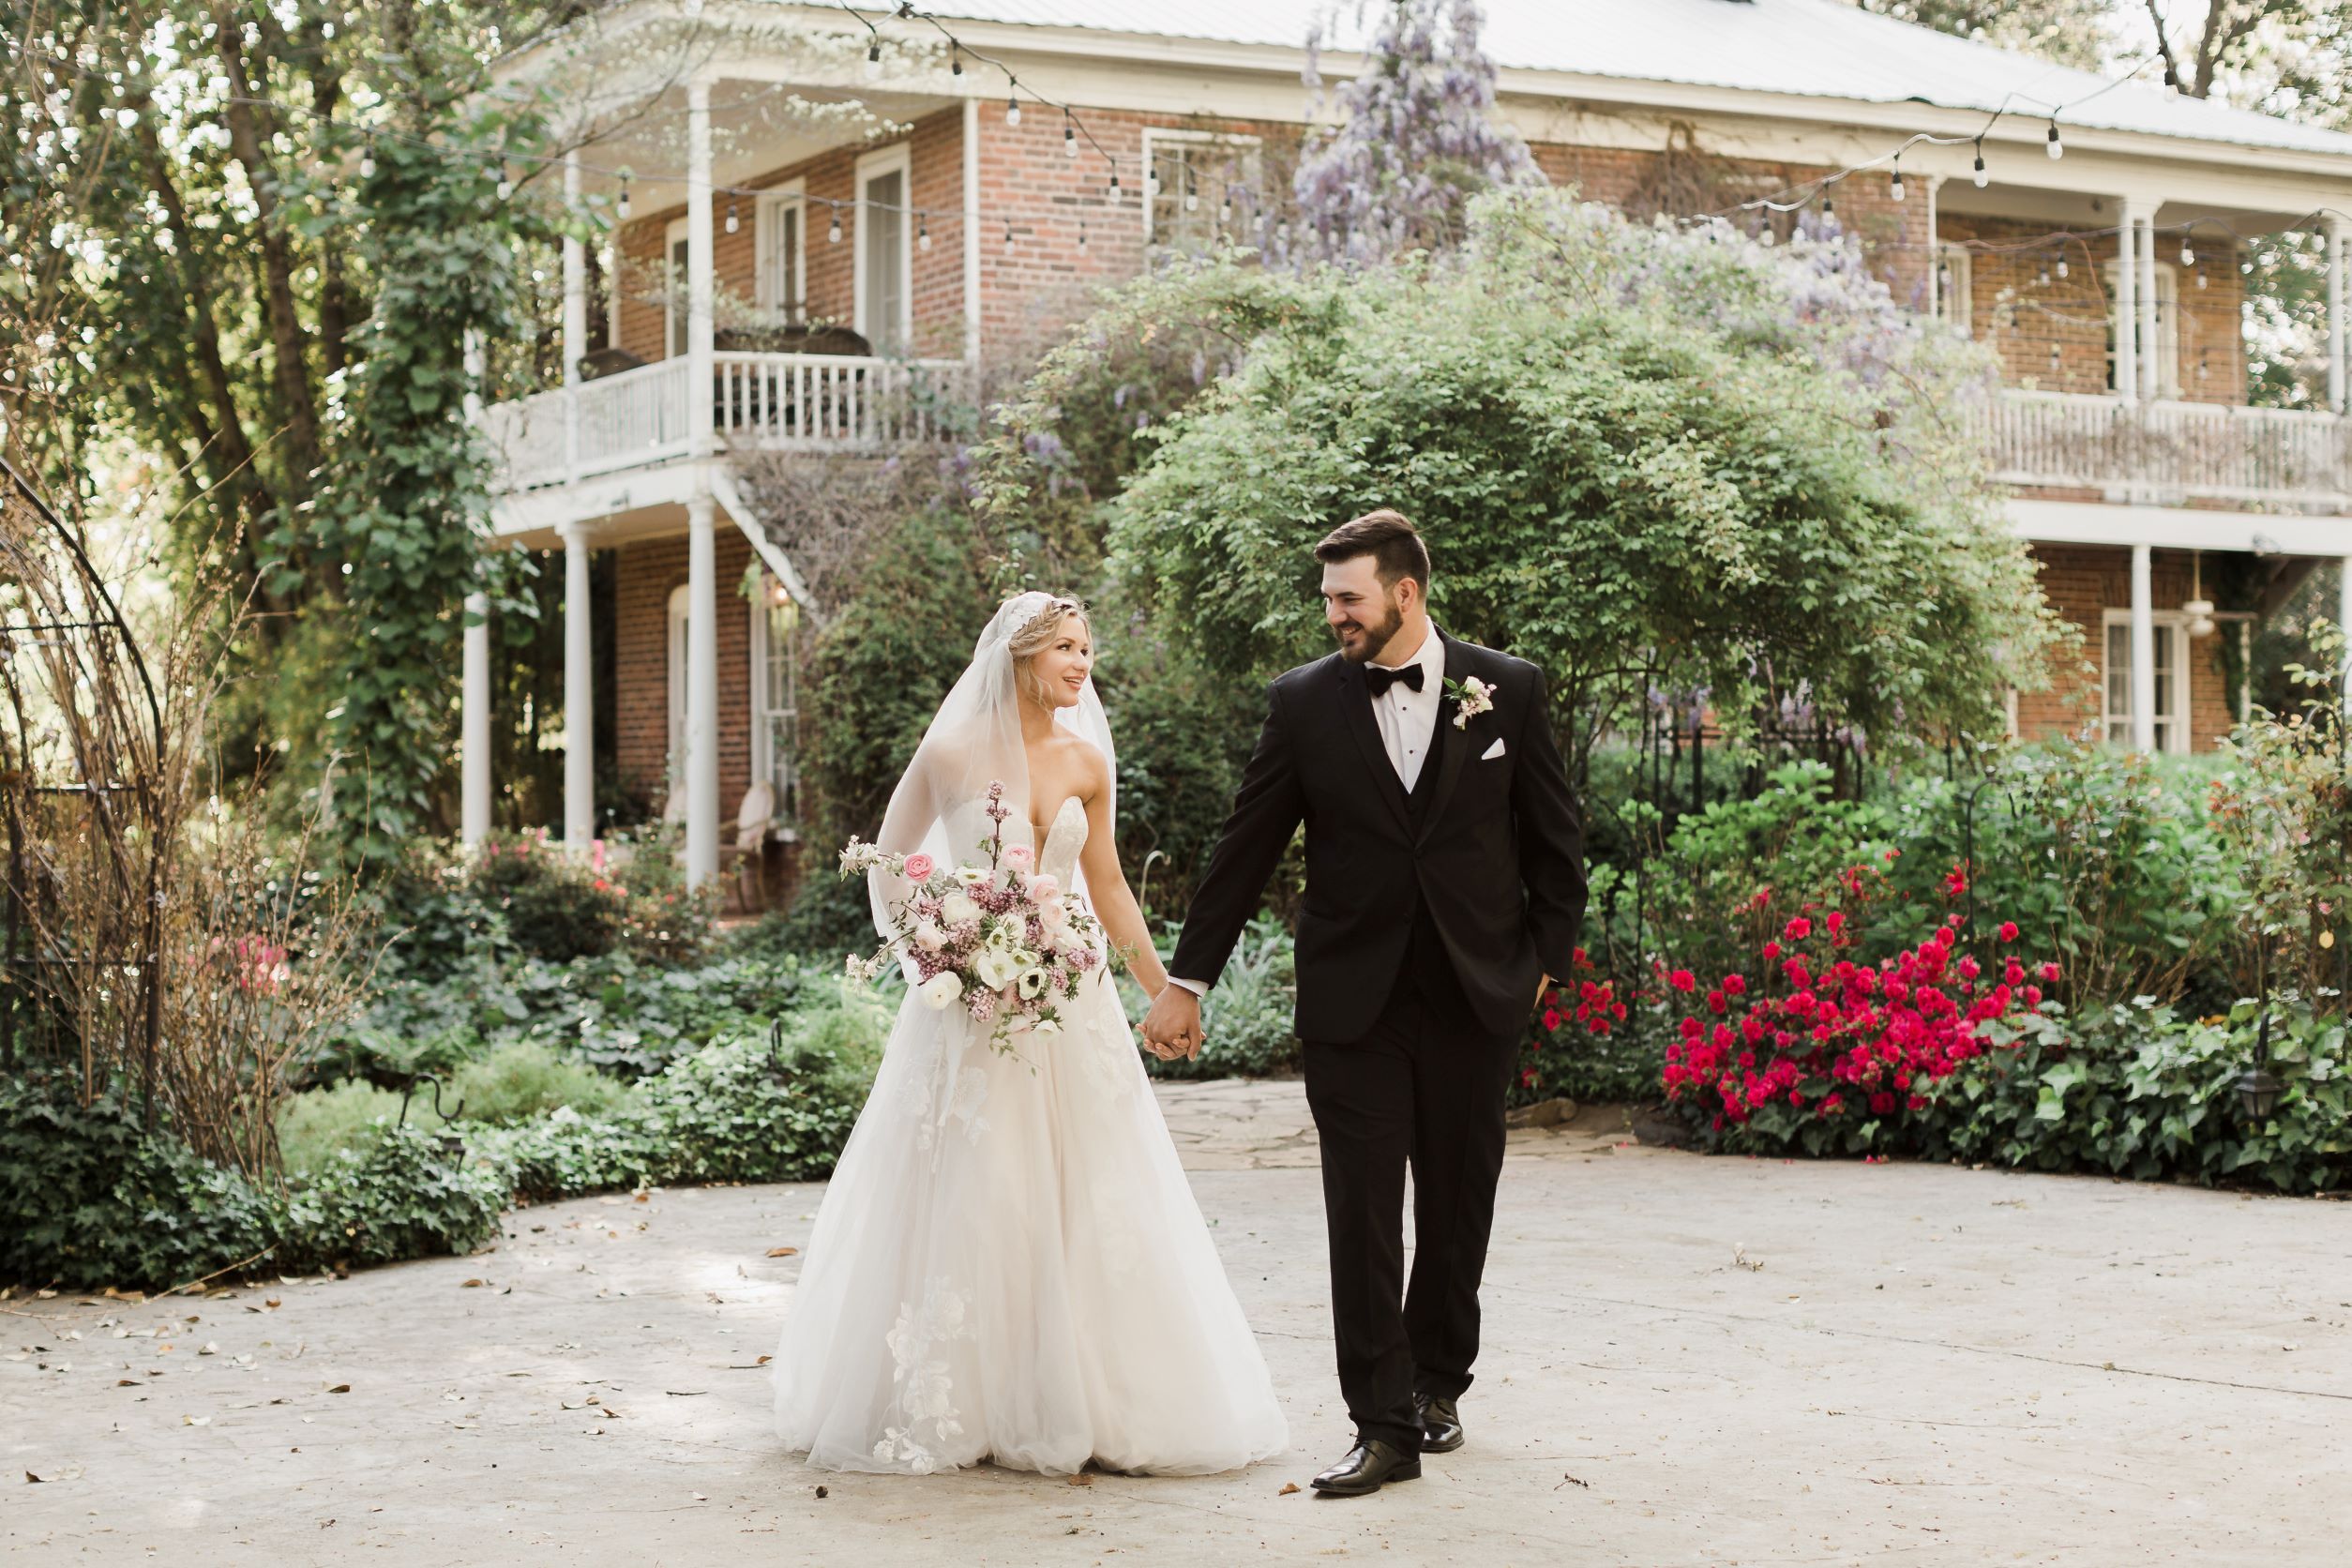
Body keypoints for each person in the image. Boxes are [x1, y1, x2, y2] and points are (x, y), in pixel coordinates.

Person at [772, 591, 1288, 1477]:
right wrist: (937, 956)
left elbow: (1111, 885)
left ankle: (1091, 1391)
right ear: (1018, 656)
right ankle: (963, 1394)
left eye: (1086, 649)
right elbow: (891, 868)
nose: (1082, 664)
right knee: (979, 1184)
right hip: (970, 1009)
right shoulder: (949, 754)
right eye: (1064, 648)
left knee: (1086, 1181)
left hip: (1071, 1000)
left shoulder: (1087, 759)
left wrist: (1166, 990)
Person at [1143, 509, 1587, 1497]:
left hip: (1478, 994)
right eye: (1329, 598)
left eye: (1349, 597)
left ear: (1406, 592)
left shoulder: (1505, 690)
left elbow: (1557, 843)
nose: (1334, 615)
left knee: (1460, 1197)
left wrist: (1542, 964)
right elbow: (1243, 847)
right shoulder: (1303, 704)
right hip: (1354, 1000)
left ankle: (1438, 1383)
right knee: (1363, 1212)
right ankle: (1379, 1423)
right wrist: (1189, 978)